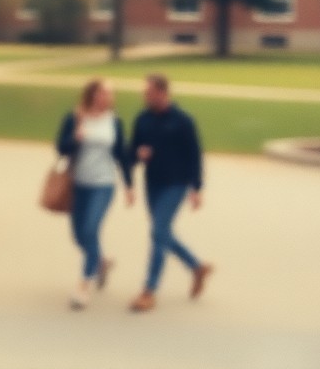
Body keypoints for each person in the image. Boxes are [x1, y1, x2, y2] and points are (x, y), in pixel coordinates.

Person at [128, 73, 213, 313]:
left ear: (162, 93)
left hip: (176, 184)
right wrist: (137, 155)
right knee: (162, 233)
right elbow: (132, 151)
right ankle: (197, 267)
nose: (144, 96)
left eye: (148, 93)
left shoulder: (183, 121)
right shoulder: (142, 119)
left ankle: (149, 291)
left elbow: (194, 155)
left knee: (157, 232)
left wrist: (196, 188)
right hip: (152, 183)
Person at [54, 79, 133, 310]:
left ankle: (83, 287)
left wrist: (129, 185)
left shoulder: (114, 122)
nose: (109, 97)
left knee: (90, 230)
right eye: (104, 93)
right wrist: (74, 139)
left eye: (110, 94)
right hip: (78, 184)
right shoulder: (75, 117)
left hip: (104, 184)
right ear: (93, 95)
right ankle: (100, 262)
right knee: (79, 236)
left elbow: (121, 154)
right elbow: (60, 148)